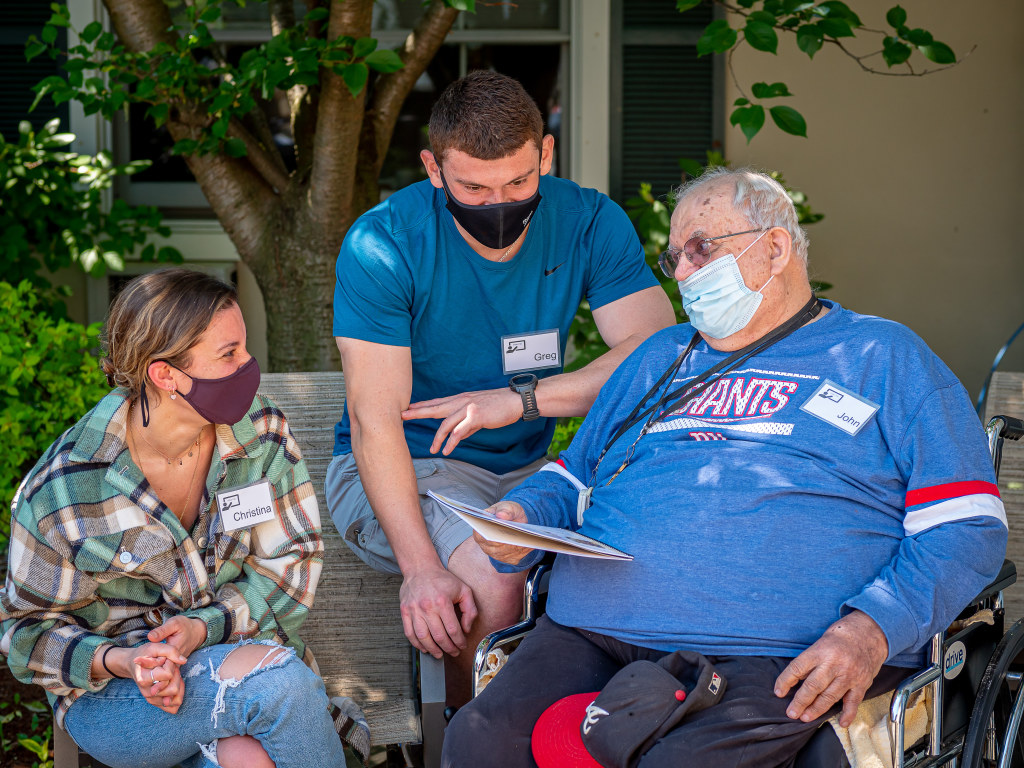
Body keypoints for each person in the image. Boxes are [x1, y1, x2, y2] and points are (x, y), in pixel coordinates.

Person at [442, 167, 1009, 767]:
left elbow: (966, 527)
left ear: (775, 247)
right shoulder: (660, 357)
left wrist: (872, 629)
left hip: (775, 652)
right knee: (479, 740)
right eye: (675, 258)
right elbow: (575, 474)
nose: (682, 273)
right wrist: (524, 513)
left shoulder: (882, 357)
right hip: (593, 631)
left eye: (701, 249)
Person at [327, 70, 675, 702]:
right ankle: (469, 738)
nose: (498, 205)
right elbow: (374, 420)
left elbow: (656, 359)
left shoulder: (589, 220)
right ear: (435, 169)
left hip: (535, 467)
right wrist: (421, 569)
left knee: (658, 556)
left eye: (519, 182)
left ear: (546, 153)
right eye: (473, 188)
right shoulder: (385, 243)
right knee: (494, 581)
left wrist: (521, 402)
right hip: (409, 464)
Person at [1, 269, 366, 768]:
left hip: (242, 652)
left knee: (246, 758)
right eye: (229, 354)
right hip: (117, 696)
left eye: (244, 347)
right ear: (165, 375)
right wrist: (124, 660)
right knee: (280, 687)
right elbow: (26, 632)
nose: (249, 365)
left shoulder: (262, 433)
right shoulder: (65, 488)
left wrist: (203, 627)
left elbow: (294, 562)